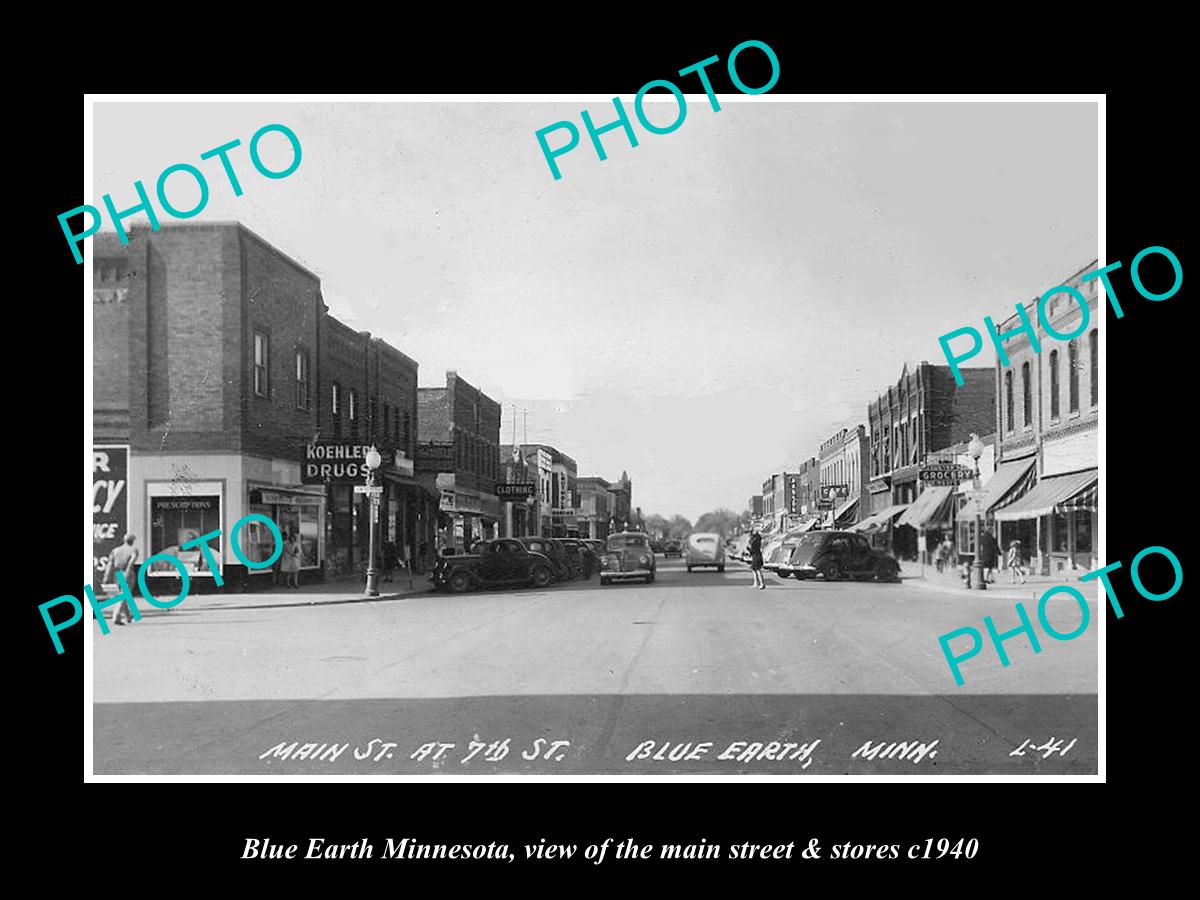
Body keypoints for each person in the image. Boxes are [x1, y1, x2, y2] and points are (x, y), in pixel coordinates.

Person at [103, 533, 140, 626]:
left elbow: (110, 564)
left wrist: (106, 577)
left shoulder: (115, 550)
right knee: (124, 595)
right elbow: (131, 562)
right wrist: (128, 573)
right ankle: (117, 616)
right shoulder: (134, 550)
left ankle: (128, 616)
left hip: (117, 574)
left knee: (123, 594)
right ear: (132, 541)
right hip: (127, 573)